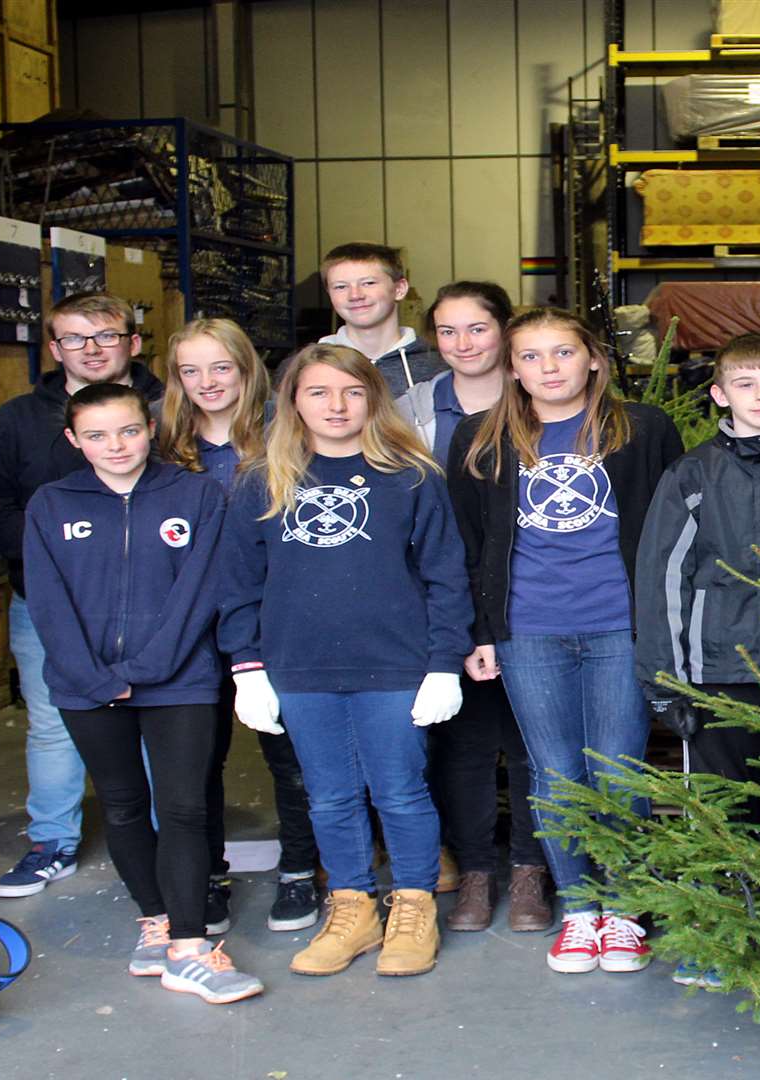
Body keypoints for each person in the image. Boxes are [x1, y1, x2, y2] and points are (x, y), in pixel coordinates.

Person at [219, 343, 470, 979]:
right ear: (292, 401)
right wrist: (247, 667)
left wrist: (444, 660)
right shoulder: (261, 479)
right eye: (318, 393)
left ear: (373, 398)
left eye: (351, 392)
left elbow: (445, 574)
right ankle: (353, 909)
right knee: (328, 797)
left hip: (395, 665)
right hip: (298, 667)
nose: (336, 406)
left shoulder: (411, 475)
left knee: (400, 792)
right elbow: (238, 581)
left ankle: (413, 905)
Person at [448, 308, 683, 976]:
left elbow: (673, 530)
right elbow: (468, 543)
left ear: (593, 360)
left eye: (562, 353)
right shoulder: (480, 438)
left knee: (616, 769)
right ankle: (580, 909)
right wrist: (483, 631)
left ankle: (626, 908)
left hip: (621, 626)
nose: (548, 368)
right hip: (529, 629)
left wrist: (666, 625)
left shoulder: (643, 429)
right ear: (512, 368)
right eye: (531, 356)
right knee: (554, 773)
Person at [22, 382, 261, 1004]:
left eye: (128, 430)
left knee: (183, 807)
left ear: (149, 428)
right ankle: (154, 923)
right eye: (96, 435)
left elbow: (202, 590)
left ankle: (189, 947)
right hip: (84, 684)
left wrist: (150, 666)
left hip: (179, 680)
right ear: (74, 441)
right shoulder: (51, 503)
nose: (116, 445)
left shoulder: (197, 494)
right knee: (124, 805)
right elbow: (48, 601)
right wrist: (95, 676)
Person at [635, 332, 760, 988]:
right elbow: (663, 577)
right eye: (746, 385)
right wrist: (666, 682)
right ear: (720, 393)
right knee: (723, 811)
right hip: (720, 676)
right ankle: (722, 930)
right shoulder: (693, 473)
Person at [0, 292, 165, 901]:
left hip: (159, 608)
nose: (92, 349)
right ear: (54, 349)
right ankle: (52, 840)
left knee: (162, 721)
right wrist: (65, 570)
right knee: (56, 723)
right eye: (75, 339)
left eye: (106, 335)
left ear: (133, 343)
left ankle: (171, 838)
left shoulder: (172, 408)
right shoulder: (15, 421)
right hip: (50, 606)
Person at [396, 282, 553, 934]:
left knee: (528, 746)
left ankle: (528, 871)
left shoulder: (541, 403)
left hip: (528, 602)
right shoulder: (412, 409)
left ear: (505, 333)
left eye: (478, 329)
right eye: (449, 331)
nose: (463, 344)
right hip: (445, 596)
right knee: (462, 745)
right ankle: (476, 872)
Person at [160, 318, 323, 934]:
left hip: (272, 622)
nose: (206, 382)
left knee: (291, 757)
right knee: (195, 762)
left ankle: (300, 871)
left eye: (220, 367)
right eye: (190, 370)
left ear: (248, 369)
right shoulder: (163, 444)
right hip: (191, 629)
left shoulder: (290, 437)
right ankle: (205, 875)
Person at [318, 243, 443, 396]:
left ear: (399, 289)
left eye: (368, 283)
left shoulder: (438, 366)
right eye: (340, 287)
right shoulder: (307, 366)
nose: (355, 295)